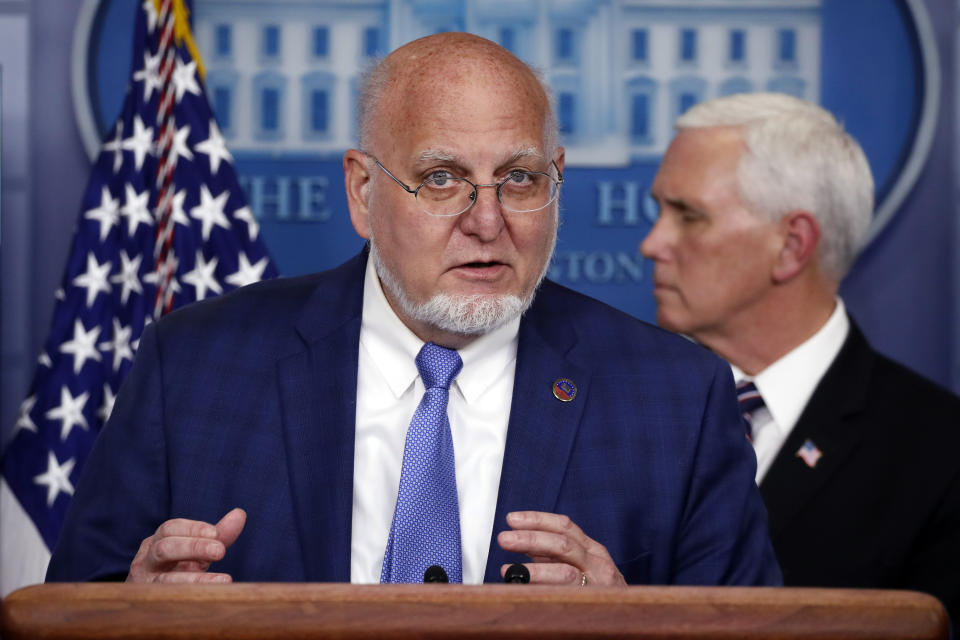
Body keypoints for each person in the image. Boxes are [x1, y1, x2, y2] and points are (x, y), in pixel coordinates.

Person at [47, 33, 779, 587]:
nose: (488, 221)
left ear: (556, 180)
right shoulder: (198, 368)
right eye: (440, 179)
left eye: (519, 179)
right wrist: (133, 610)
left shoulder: (677, 397)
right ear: (363, 192)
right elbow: (74, 609)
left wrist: (627, 624)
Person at [641, 92, 960, 619]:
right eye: (660, 211)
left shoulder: (940, 455)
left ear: (791, 245)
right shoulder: (616, 410)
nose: (652, 243)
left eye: (688, 216)